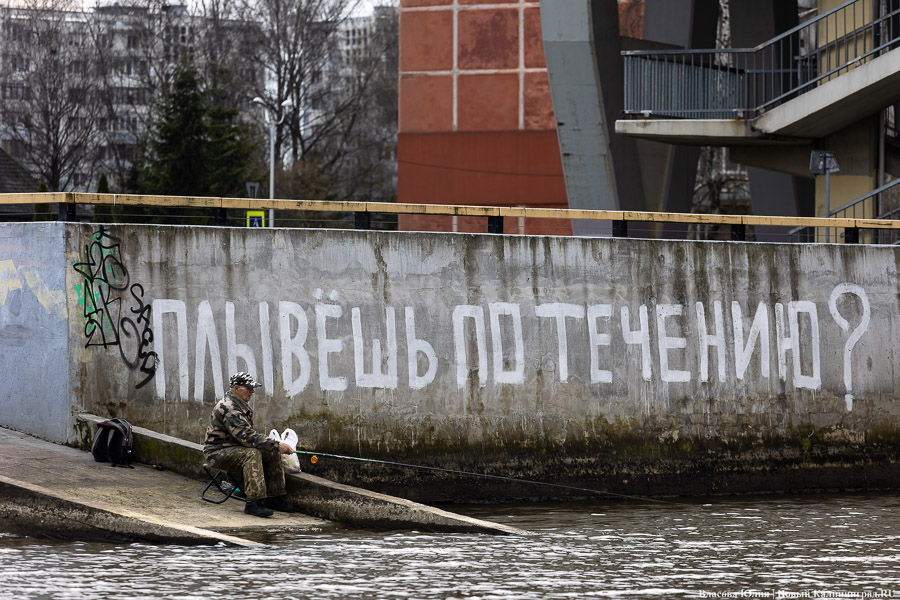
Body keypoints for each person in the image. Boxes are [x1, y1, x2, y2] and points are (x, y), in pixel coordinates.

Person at [204, 371, 298, 517]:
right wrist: (276, 444)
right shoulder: (229, 408)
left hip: (234, 448)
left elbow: (248, 437)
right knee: (252, 454)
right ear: (236, 388)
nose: (252, 391)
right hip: (217, 453)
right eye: (248, 388)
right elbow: (248, 437)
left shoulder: (239, 404)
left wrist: (273, 446)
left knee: (270, 451)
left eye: (252, 388)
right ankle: (253, 502)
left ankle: (274, 497)